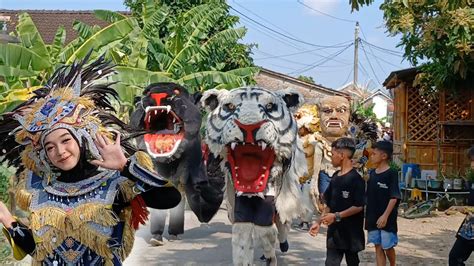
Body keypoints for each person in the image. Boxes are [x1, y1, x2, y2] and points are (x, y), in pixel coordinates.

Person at [0, 56, 180, 265]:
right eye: (50, 147)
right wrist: (6, 218)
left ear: (81, 139)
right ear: (44, 154)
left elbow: (170, 198)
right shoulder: (40, 190)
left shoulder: (113, 182)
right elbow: (40, 251)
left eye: (66, 140)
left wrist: (125, 167)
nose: (60, 151)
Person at [309, 137, 366, 266]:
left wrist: (336, 216)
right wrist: (318, 222)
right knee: (330, 263)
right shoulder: (335, 177)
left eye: (333, 154)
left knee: (352, 262)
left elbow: (358, 206)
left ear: (342, 155)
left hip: (351, 234)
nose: (331, 157)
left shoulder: (356, 180)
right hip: (334, 234)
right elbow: (329, 204)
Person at [366, 141, 400, 266]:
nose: (372, 156)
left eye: (374, 154)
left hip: (387, 217)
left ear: (384, 156)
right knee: (378, 246)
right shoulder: (372, 174)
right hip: (372, 216)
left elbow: (394, 197)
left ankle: (393, 264)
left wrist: (385, 216)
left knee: (387, 246)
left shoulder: (392, 173)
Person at [449, 146, 474, 265]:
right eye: (472, 161)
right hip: (469, 229)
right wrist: (460, 208)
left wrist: (462, 208)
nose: (472, 165)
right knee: (454, 258)